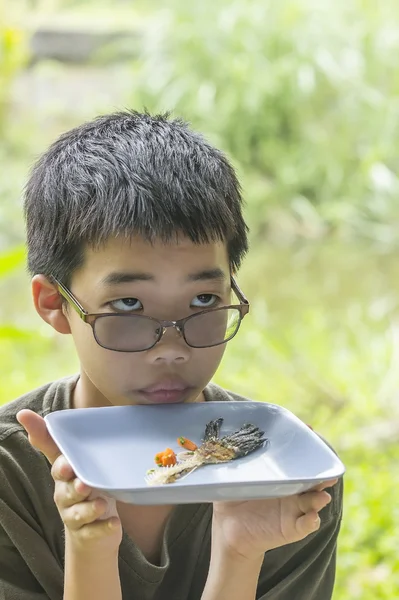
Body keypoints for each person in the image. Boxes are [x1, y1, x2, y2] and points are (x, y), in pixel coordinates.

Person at [0, 110, 343, 600]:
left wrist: (239, 552)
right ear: (55, 304)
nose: (172, 349)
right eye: (128, 304)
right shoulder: (8, 476)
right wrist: (89, 549)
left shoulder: (288, 481)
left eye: (204, 300)